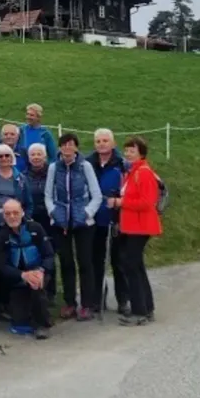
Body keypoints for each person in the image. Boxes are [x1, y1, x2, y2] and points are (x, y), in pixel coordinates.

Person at [46, 133, 102, 320]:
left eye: (71, 145)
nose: (67, 148)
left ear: (76, 148)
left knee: (85, 263)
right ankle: (70, 302)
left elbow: (96, 195)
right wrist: (53, 212)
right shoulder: (54, 167)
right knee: (66, 262)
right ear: (60, 148)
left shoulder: (85, 166)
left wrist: (87, 213)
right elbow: (48, 195)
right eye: (64, 145)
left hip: (83, 222)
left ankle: (88, 304)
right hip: (61, 222)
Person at [108, 136, 162, 326]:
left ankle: (140, 310)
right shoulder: (133, 171)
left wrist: (120, 202)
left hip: (140, 226)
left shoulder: (143, 173)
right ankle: (146, 308)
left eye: (132, 150)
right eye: (127, 150)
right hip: (132, 225)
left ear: (141, 153)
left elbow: (147, 202)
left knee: (131, 265)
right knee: (135, 265)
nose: (128, 153)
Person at [0, 199, 53, 339]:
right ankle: (12, 309)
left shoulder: (36, 228)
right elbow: (2, 266)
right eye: (8, 214)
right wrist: (23, 275)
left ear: (22, 212)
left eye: (16, 213)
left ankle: (42, 324)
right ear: (4, 216)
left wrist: (41, 271)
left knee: (36, 285)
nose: (12, 216)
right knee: (20, 322)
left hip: (38, 272)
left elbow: (49, 255)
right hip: (15, 278)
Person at [87, 128, 129, 315]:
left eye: (105, 141)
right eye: (98, 141)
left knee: (119, 261)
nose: (101, 144)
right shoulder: (88, 163)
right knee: (95, 261)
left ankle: (123, 300)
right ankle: (97, 299)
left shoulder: (122, 164)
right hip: (94, 219)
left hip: (116, 219)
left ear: (113, 143)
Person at [22, 143, 56, 297]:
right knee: (34, 253)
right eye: (33, 155)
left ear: (45, 156)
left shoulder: (53, 172)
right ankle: (35, 289)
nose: (36, 157)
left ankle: (51, 291)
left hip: (50, 218)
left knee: (50, 252)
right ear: (28, 158)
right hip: (32, 219)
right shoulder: (23, 175)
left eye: (39, 154)